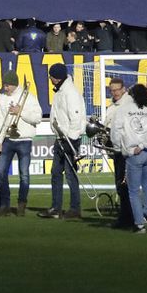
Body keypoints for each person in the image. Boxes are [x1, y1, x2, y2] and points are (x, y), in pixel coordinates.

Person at [39, 63, 86, 219]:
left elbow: (76, 117)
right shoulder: (61, 91)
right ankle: (56, 207)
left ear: (56, 77)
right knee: (56, 173)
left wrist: (71, 138)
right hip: (61, 137)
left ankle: (75, 208)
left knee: (70, 175)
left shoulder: (70, 92)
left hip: (69, 139)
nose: (50, 79)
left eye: (51, 76)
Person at [115, 84, 147, 233]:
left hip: (134, 152)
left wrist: (122, 148)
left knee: (134, 191)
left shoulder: (124, 110)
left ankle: (139, 224)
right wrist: (145, 144)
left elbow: (116, 131)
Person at [0, 71, 42, 217]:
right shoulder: (2, 98)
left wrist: (21, 111)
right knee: (0, 172)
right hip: (7, 140)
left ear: (14, 84)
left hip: (24, 140)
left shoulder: (29, 97)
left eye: (7, 85)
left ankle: (21, 204)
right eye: (4, 85)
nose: (5, 88)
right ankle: (5, 206)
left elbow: (37, 118)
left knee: (24, 174)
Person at [104, 77, 135, 229]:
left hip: (125, 149)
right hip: (118, 148)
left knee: (124, 184)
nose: (115, 93)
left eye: (117, 90)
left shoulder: (127, 105)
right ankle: (126, 215)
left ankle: (127, 217)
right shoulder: (113, 106)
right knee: (121, 184)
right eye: (112, 90)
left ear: (124, 89)